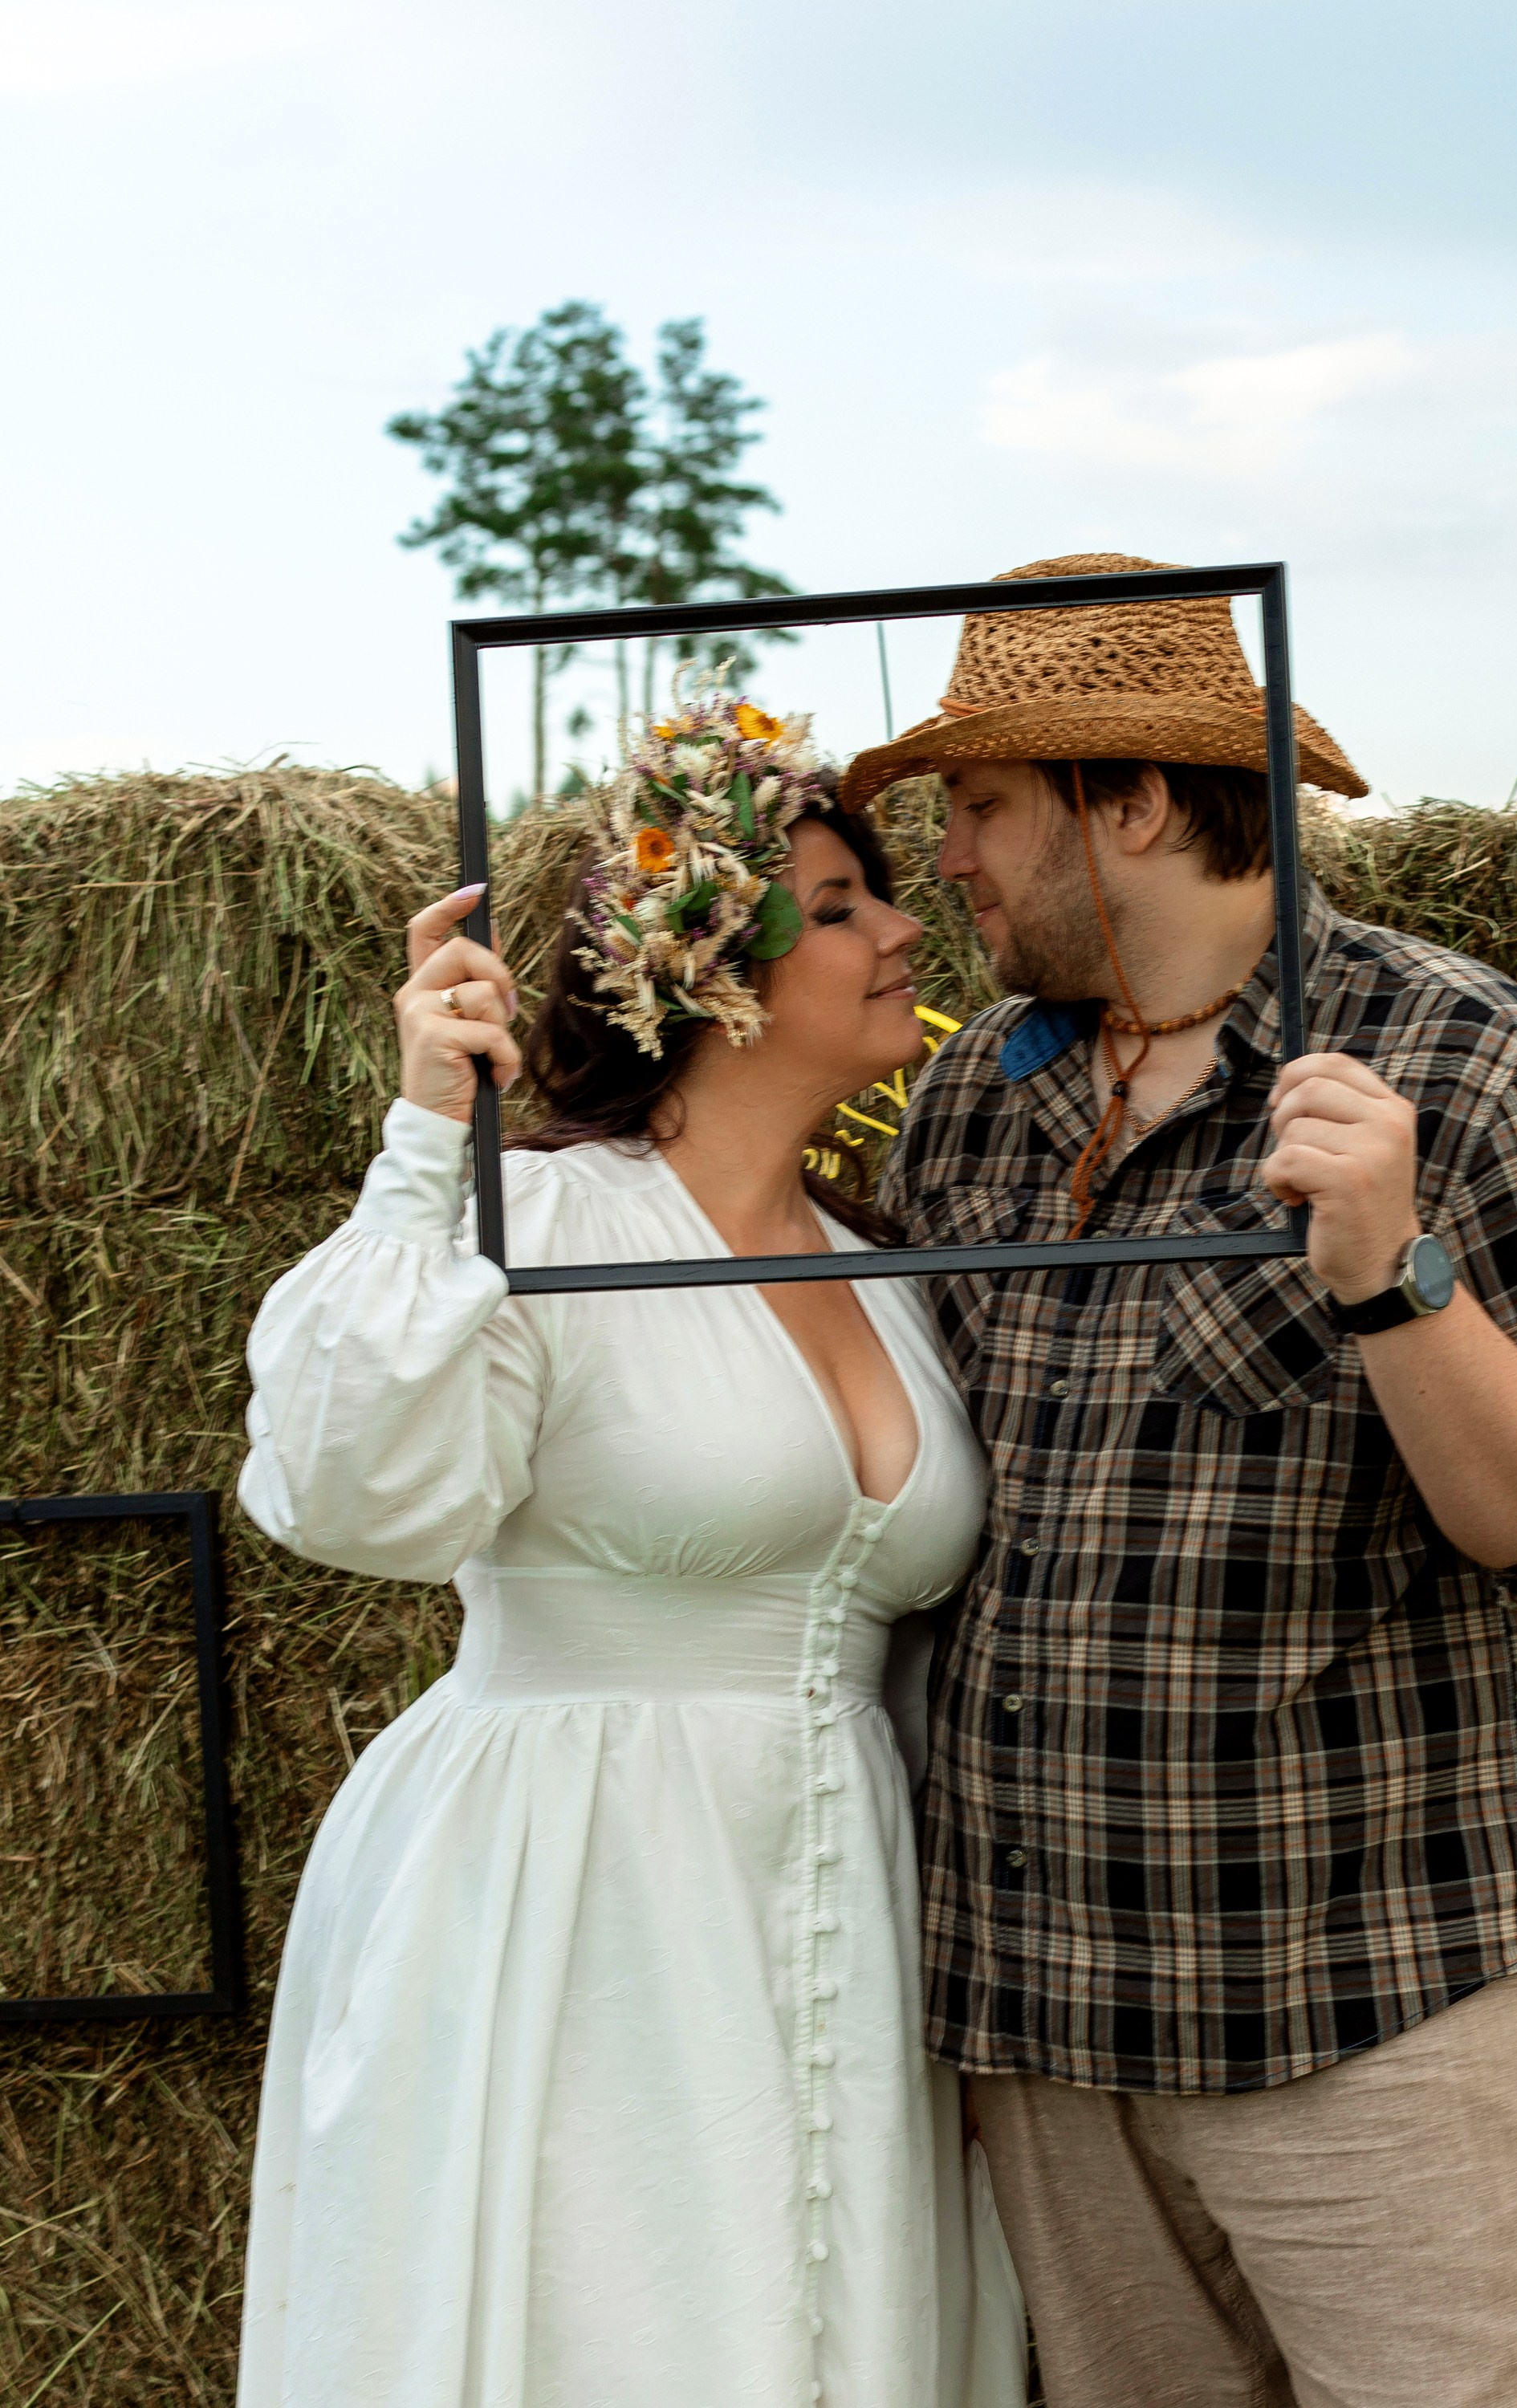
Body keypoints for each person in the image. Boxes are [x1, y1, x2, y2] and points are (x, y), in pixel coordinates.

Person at [845, 556, 1517, 2408]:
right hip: (1042, 2024)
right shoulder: (973, 1096)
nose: (950, 859)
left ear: (1131, 803)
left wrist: (1397, 1277)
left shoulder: (1461, 1056)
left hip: (1368, 2009)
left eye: (981, 805)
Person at [234, 691, 1026, 2408]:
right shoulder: (544, 1226)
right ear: (709, 975)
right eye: (840, 909)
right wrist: (424, 1144)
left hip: (841, 1886)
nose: (906, 934)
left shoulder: (894, 1271)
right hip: (570, 1885)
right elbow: (351, 1494)